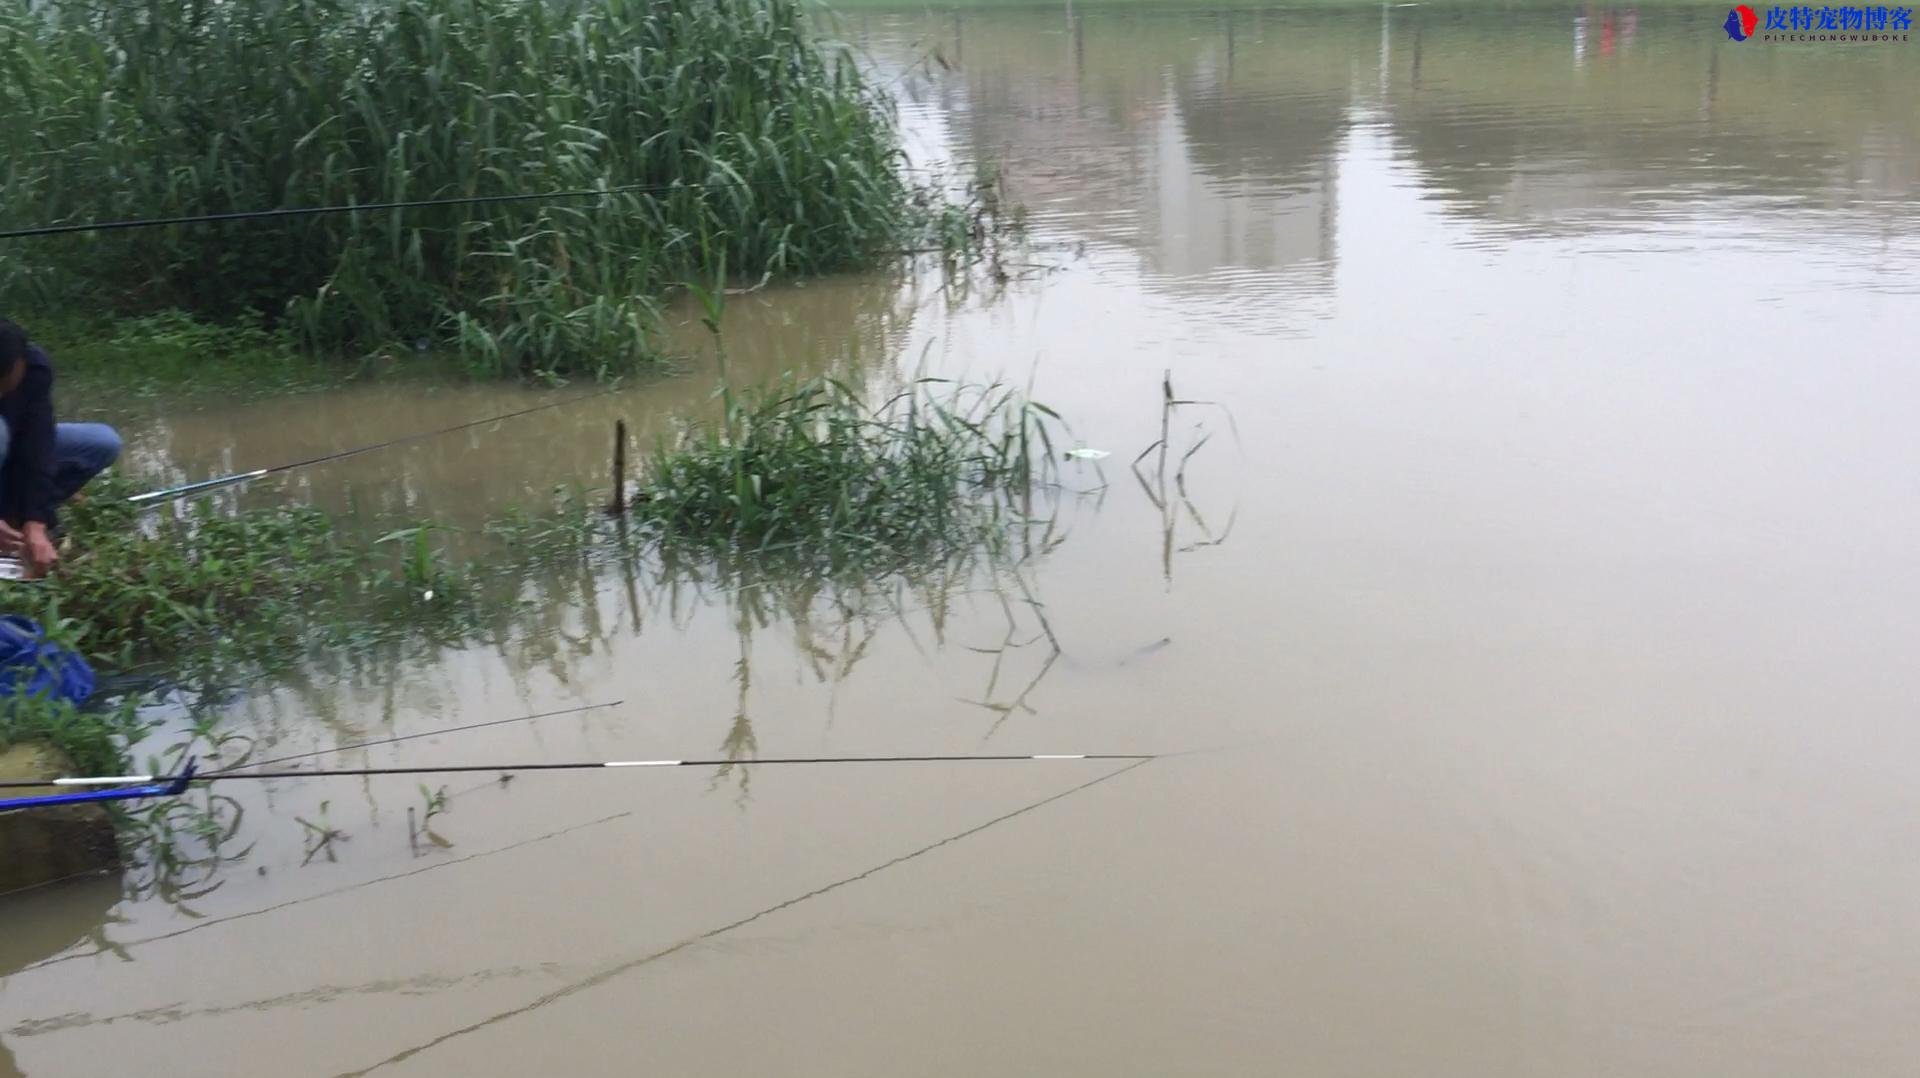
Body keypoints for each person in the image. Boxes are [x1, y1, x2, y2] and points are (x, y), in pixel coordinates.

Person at [0, 319, 122, 578]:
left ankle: (17, 518)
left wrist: (36, 522)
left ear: (22, 361)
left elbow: (37, 446)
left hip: (10, 453)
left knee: (102, 443)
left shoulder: (35, 369)